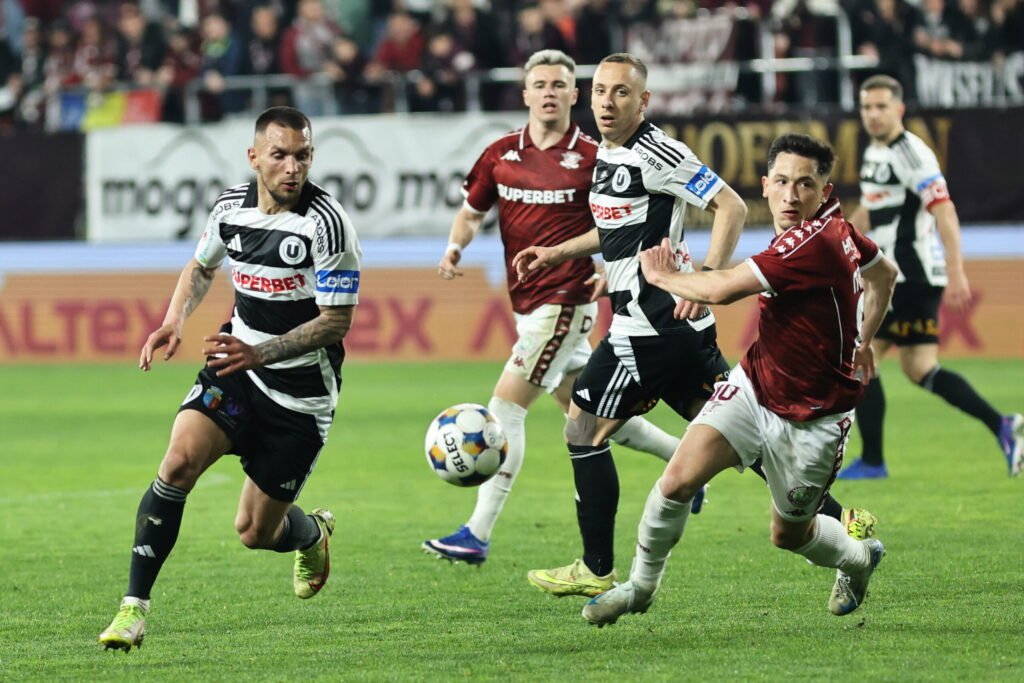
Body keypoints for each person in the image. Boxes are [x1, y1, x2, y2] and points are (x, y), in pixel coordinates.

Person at [581, 134, 900, 628]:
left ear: (824, 190)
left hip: (813, 419)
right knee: (676, 481)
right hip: (753, 388)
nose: (791, 196)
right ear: (766, 185)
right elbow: (885, 275)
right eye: (782, 182)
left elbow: (724, 290)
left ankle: (859, 559)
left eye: (805, 185)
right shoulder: (840, 228)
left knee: (788, 536)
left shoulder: (812, 243)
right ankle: (639, 590)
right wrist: (864, 338)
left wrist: (661, 278)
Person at [98, 107, 361, 651]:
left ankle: (312, 534)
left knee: (255, 532)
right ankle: (133, 609)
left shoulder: (327, 223)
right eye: (280, 155)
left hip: (300, 397)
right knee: (178, 463)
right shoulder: (229, 208)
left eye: (303, 156)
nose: (293, 167)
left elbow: (336, 321)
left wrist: (259, 353)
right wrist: (174, 320)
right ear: (254, 156)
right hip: (236, 371)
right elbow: (201, 267)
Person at [421, 49, 685, 567]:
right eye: (539, 84)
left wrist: (612, 269)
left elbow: (624, 220)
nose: (548, 92)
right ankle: (685, 459)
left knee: (505, 408)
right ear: (525, 94)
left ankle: (477, 533)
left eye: (559, 84)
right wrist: (455, 247)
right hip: (527, 304)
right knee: (588, 412)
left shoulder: (593, 156)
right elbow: (471, 212)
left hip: (566, 301)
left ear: (573, 94)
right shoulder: (500, 154)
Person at [511, 53, 750, 597]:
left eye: (621, 93)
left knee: (582, 429)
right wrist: (558, 254)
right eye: (600, 91)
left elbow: (731, 206)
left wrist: (707, 279)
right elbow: (619, 229)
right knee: (741, 433)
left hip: (648, 326)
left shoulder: (658, 151)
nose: (607, 102)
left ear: (643, 100)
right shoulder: (608, 152)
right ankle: (839, 519)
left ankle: (596, 567)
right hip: (672, 327)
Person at [839, 75, 1023, 480]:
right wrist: (840, 241)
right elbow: (871, 209)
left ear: (900, 109)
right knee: (919, 367)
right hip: (906, 278)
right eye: (866, 107)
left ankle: (872, 461)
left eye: (881, 106)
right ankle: (1002, 425)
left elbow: (944, 210)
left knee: (859, 357)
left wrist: (957, 270)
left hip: (907, 276)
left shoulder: (912, 154)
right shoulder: (875, 151)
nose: (873, 114)